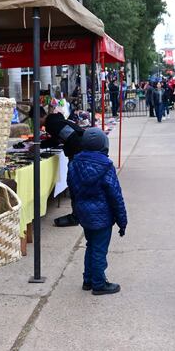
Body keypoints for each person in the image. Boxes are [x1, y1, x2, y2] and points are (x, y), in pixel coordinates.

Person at [67, 127, 127, 296]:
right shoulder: (106, 166)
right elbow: (116, 195)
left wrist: (77, 211)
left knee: (91, 245)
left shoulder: (74, 163)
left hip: (84, 213)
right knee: (99, 249)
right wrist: (122, 221)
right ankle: (99, 284)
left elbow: (72, 188)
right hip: (102, 216)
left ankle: (88, 280)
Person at [39, 108, 86, 227]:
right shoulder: (57, 121)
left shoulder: (51, 124)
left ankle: (76, 217)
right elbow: (60, 138)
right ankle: (78, 214)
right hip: (80, 149)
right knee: (77, 184)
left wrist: (39, 145)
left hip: (77, 152)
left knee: (74, 183)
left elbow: (63, 139)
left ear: (39, 117)